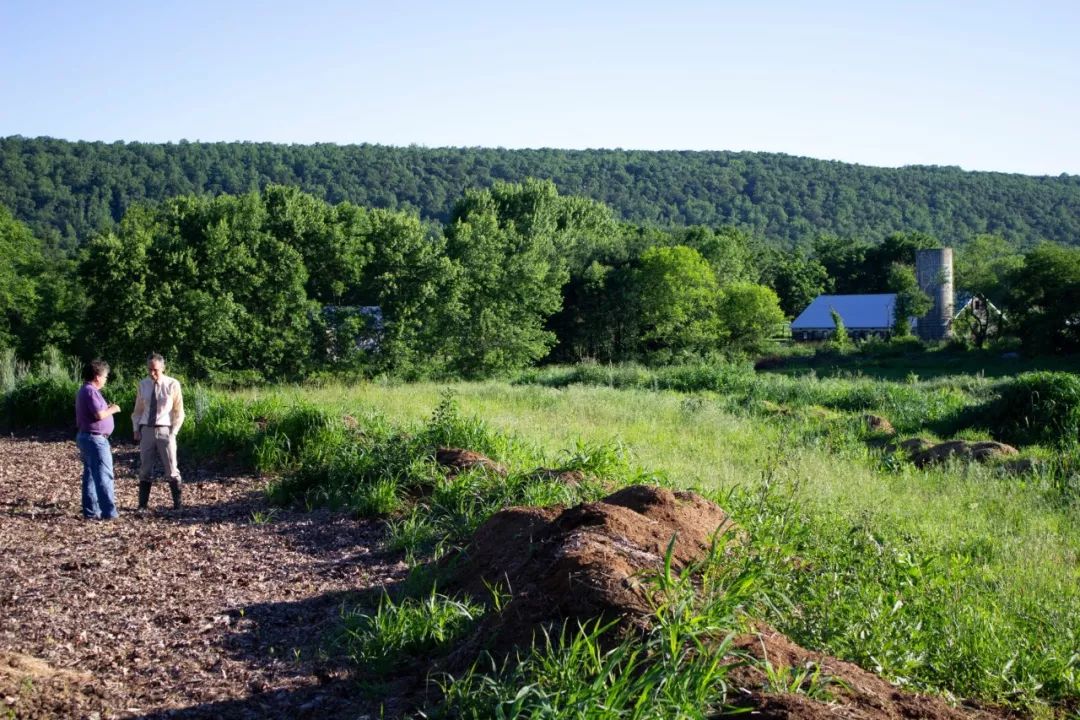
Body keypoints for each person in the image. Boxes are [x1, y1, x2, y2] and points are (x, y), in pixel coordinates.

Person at [131, 352, 186, 510]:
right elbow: (138, 410)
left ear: (162, 368)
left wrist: (173, 432)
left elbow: (179, 411)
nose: (152, 373)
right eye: (149, 369)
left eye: (155, 370)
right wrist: (136, 428)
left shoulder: (172, 384)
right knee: (145, 468)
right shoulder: (143, 385)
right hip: (147, 429)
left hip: (165, 429)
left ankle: (178, 505)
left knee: (171, 468)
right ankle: (142, 505)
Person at [75, 359, 122, 520]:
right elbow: (99, 415)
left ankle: (91, 511)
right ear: (97, 376)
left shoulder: (86, 390)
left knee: (90, 475)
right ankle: (109, 512)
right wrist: (113, 409)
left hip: (88, 437)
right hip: (94, 439)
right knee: (103, 475)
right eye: (105, 376)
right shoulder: (90, 391)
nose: (106, 379)